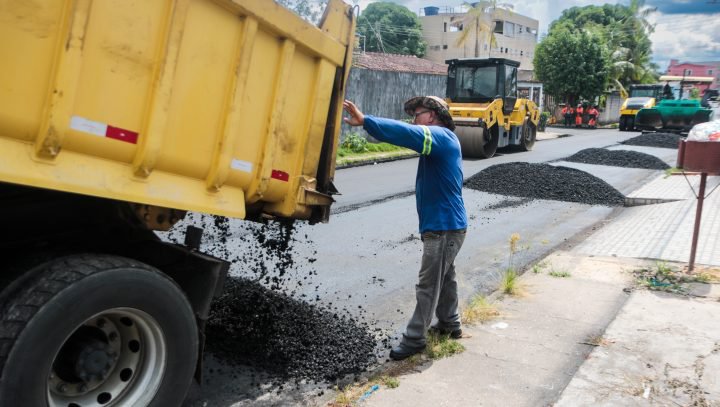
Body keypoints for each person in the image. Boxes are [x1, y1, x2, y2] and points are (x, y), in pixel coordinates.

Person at [342, 96, 468, 361]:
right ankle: (450, 323)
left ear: (433, 115)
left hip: (444, 226)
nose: (414, 120)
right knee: (444, 278)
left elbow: (406, 133)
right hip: (447, 225)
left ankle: (414, 339)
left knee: (428, 283)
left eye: (418, 114)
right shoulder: (442, 142)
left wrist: (367, 122)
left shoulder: (440, 136)